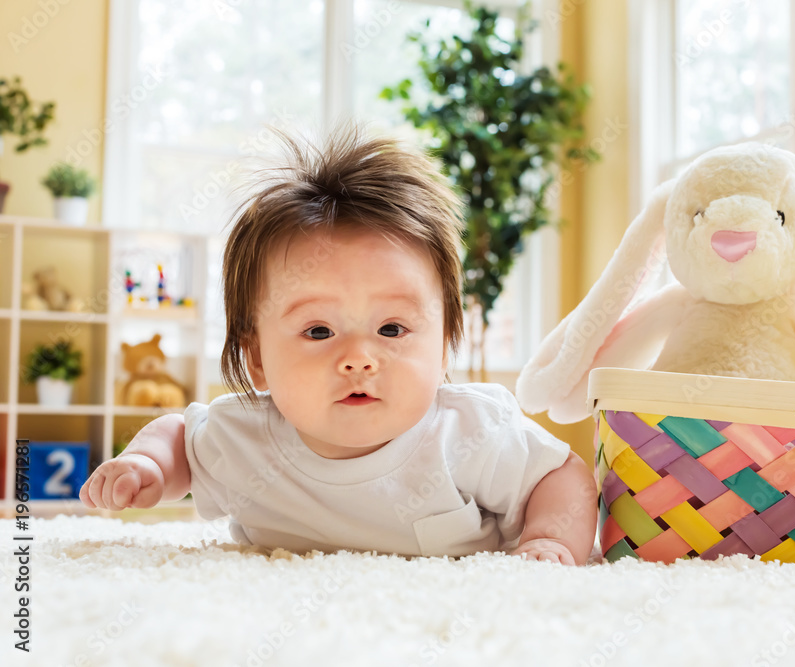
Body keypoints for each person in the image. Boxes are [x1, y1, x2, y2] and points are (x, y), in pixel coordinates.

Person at [80, 126, 598, 565]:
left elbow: (561, 473)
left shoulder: (468, 434)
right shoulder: (244, 438)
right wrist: (148, 466)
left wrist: (550, 538)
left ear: (443, 348)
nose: (358, 358)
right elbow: (180, 438)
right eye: (319, 331)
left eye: (392, 330)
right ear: (257, 358)